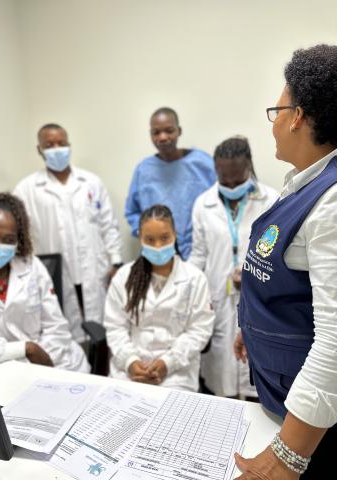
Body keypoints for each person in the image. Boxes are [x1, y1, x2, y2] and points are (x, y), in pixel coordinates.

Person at [233, 44, 337, 479]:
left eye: (276, 110)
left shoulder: (332, 202)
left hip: (311, 437)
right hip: (281, 398)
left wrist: (287, 457)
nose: (273, 123)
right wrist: (254, 329)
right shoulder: (304, 184)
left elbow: (335, 342)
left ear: (296, 116)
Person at [14, 123, 123, 342]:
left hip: (93, 270)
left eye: (61, 143)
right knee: (62, 334)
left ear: (69, 145)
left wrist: (116, 262)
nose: (56, 149)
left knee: (100, 334)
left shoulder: (91, 182)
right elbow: (20, 234)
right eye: (49, 145)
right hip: (54, 273)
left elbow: (108, 225)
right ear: (39, 150)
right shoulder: (26, 189)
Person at [189, 136, 278, 400]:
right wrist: (193, 294)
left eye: (237, 180)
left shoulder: (272, 200)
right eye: (224, 180)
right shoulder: (202, 205)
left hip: (259, 298)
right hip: (218, 298)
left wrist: (251, 275)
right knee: (220, 379)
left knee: (256, 378)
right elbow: (198, 254)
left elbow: (277, 256)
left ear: (249, 167)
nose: (230, 185)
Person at [104, 204, 214, 391]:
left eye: (164, 238)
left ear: (175, 235)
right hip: (129, 372)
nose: (158, 246)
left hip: (176, 375)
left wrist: (167, 363)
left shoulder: (195, 279)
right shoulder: (123, 277)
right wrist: (131, 362)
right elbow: (115, 328)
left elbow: (199, 331)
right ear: (140, 238)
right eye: (150, 239)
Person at [0, 191, 89, 372]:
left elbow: (56, 326)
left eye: (8, 240)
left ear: (18, 241)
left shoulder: (32, 266)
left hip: (51, 360)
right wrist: (25, 349)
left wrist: (41, 360)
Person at [125, 107, 216, 260]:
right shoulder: (144, 171)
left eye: (169, 130)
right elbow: (132, 212)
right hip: (159, 254)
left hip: (201, 252)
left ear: (179, 131)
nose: (163, 137)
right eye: (156, 132)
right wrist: (149, 236)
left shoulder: (202, 163)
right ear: (150, 135)